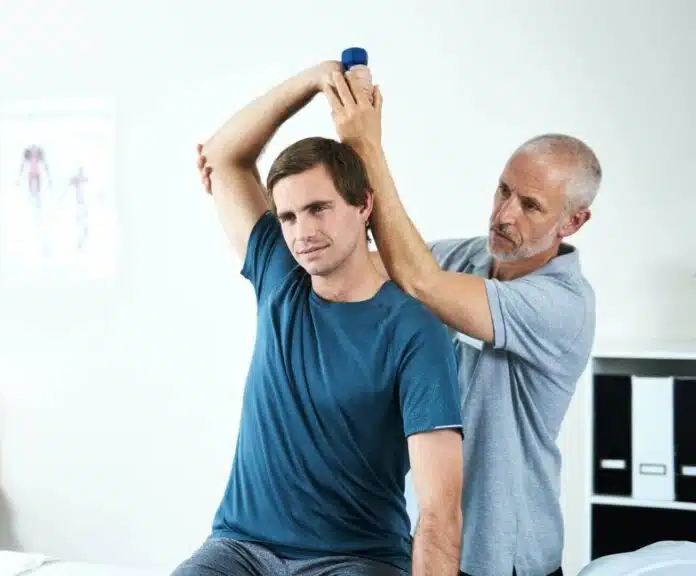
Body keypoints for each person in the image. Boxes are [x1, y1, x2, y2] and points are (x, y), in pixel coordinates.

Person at [178, 60, 465, 576]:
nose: (301, 230)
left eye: (318, 208)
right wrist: (312, 81)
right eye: (287, 216)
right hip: (241, 549)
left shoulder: (415, 331)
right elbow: (221, 157)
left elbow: (441, 515)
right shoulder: (278, 275)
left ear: (363, 206)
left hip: (354, 559)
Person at [320, 68, 600, 576]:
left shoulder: (564, 304)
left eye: (530, 205)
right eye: (503, 190)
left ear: (572, 221)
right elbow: (377, 265)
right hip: (430, 543)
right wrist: (296, 226)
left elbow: (419, 280)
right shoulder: (466, 258)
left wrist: (367, 149)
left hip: (505, 560)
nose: (503, 214)